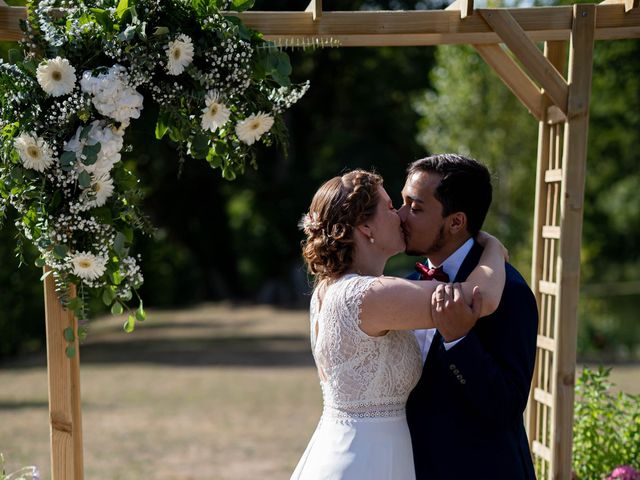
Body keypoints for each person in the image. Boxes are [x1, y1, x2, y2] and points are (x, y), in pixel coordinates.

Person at [291, 169, 508, 480]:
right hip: (365, 459)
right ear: (366, 227)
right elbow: (478, 298)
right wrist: (492, 249)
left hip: (357, 446)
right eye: (391, 207)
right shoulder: (369, 295)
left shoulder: (330, 287)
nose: (402, 215)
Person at [400, 154, 538, 479]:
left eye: (416, 208)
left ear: (456, 222)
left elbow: (506, 408)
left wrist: (459, 341)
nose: (400, 215)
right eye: (402, 201)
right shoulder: (407, 285)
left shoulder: (511, 292)